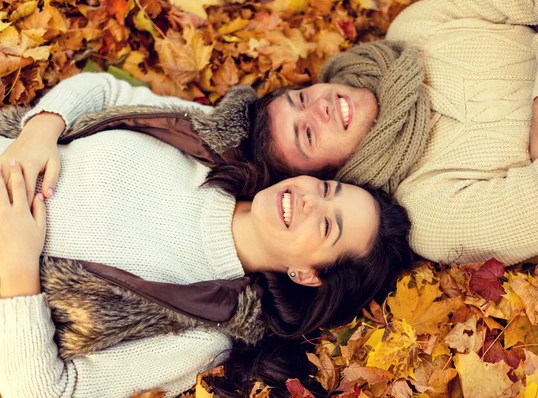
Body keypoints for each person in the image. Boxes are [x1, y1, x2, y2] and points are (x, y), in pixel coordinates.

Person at [0, 79, 412, 397]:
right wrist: (39, 131)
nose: (309, 203)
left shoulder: (203, 329)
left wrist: (16, 266)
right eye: (325, 190)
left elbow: (48, 390)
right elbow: (106, 89)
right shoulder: (208, 145)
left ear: (307, 274)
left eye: (326, 226)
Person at [246, 0, 538, 265]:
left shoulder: (416, 29)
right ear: (330, 173)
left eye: (302, 98)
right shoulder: (432, 214)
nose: (318, 108)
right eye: (307, 134)